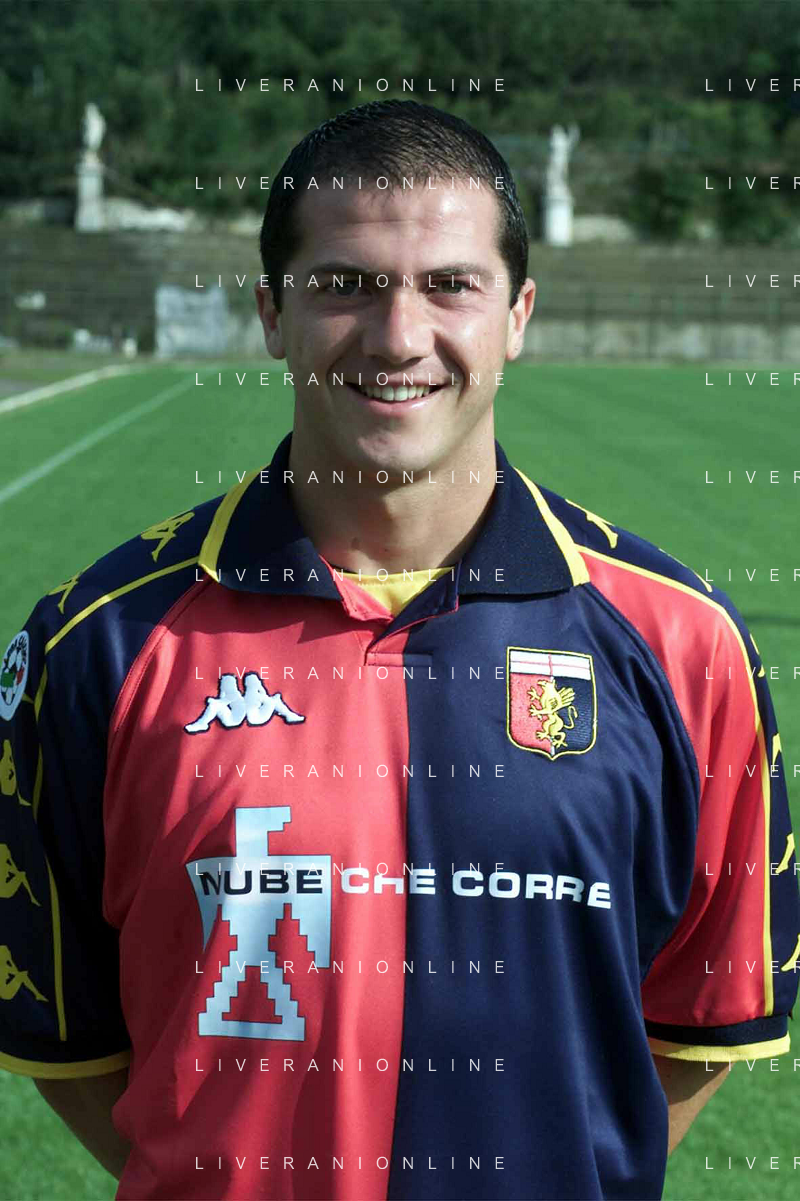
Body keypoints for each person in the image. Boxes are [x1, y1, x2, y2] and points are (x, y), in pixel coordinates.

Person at [0, 99, 797, 1201]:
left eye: (450, 285)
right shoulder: (96, 643)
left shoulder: (684, 644)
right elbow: (73, 1040)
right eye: (346, 284)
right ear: (272, 312)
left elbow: (699, 1018)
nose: (398, 336)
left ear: (517, 315)